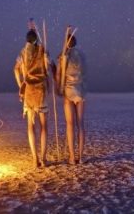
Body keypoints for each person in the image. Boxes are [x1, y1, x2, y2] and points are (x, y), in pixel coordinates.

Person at [14, 19, 52, 168]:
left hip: (29, 91)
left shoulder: (23, 53)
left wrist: (21, 84)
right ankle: (43, 158)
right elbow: (48, 65)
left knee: (30, 126)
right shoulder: (42, 50)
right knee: (44, 126)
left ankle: (35, 159)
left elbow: (15, 69)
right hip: (41, 91)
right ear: (36, 39)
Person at [57, 25, 87, 164]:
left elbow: (59, 74)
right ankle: (80, 157)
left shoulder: (64, 56)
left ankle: (71, 157)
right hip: (80, 91)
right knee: (80, 124)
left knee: (70, 124)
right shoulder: (82, 55)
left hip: (69, 92)